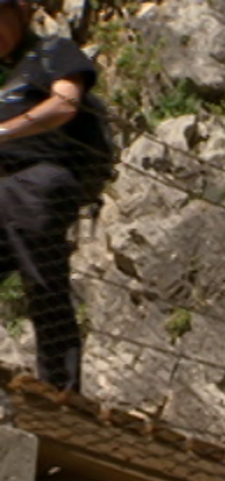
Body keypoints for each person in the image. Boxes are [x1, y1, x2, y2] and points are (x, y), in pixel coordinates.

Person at [0, 0, 112, 392]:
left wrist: (5, 131)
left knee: (42, 281)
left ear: (20, 11)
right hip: (7, 185)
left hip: (43, 178)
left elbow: (65, 103)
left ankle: (61, 391)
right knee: (40, 278)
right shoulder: (6, 79)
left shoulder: (51, 52)